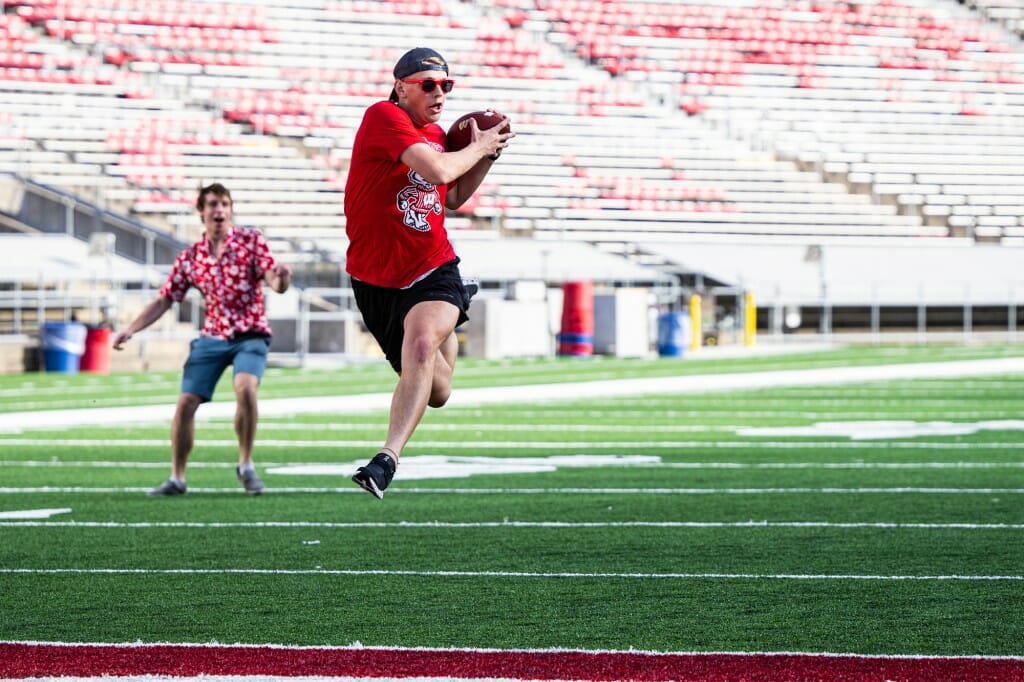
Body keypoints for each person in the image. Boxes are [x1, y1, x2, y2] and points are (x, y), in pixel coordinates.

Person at [344, 47, 514, 499]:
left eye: (446, 85)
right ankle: (450, 326)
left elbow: (453, 195)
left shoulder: (438, 134)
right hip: (374, 279)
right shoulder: (382, 116)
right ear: (401, 87)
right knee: (437, 391)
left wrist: (486, 157)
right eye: (428, 85)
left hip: (431, 266)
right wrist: (477, 145)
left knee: (420, 343)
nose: (439, 92)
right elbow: (438, 169)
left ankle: (385, 460)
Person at [113, 182, 293, 496]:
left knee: (246, 387)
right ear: (201, 211)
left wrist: (283, 278)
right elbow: (165, 299)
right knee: (185, 404)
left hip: (250, 332)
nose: (219, 210)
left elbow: (273, 281)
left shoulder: (251, 242)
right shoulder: (191, 257)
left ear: (230, 209)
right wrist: (132, 328)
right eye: (212, 204)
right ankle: (177, 477)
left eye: (224, 203)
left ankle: (246, 464)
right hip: (213, 335)